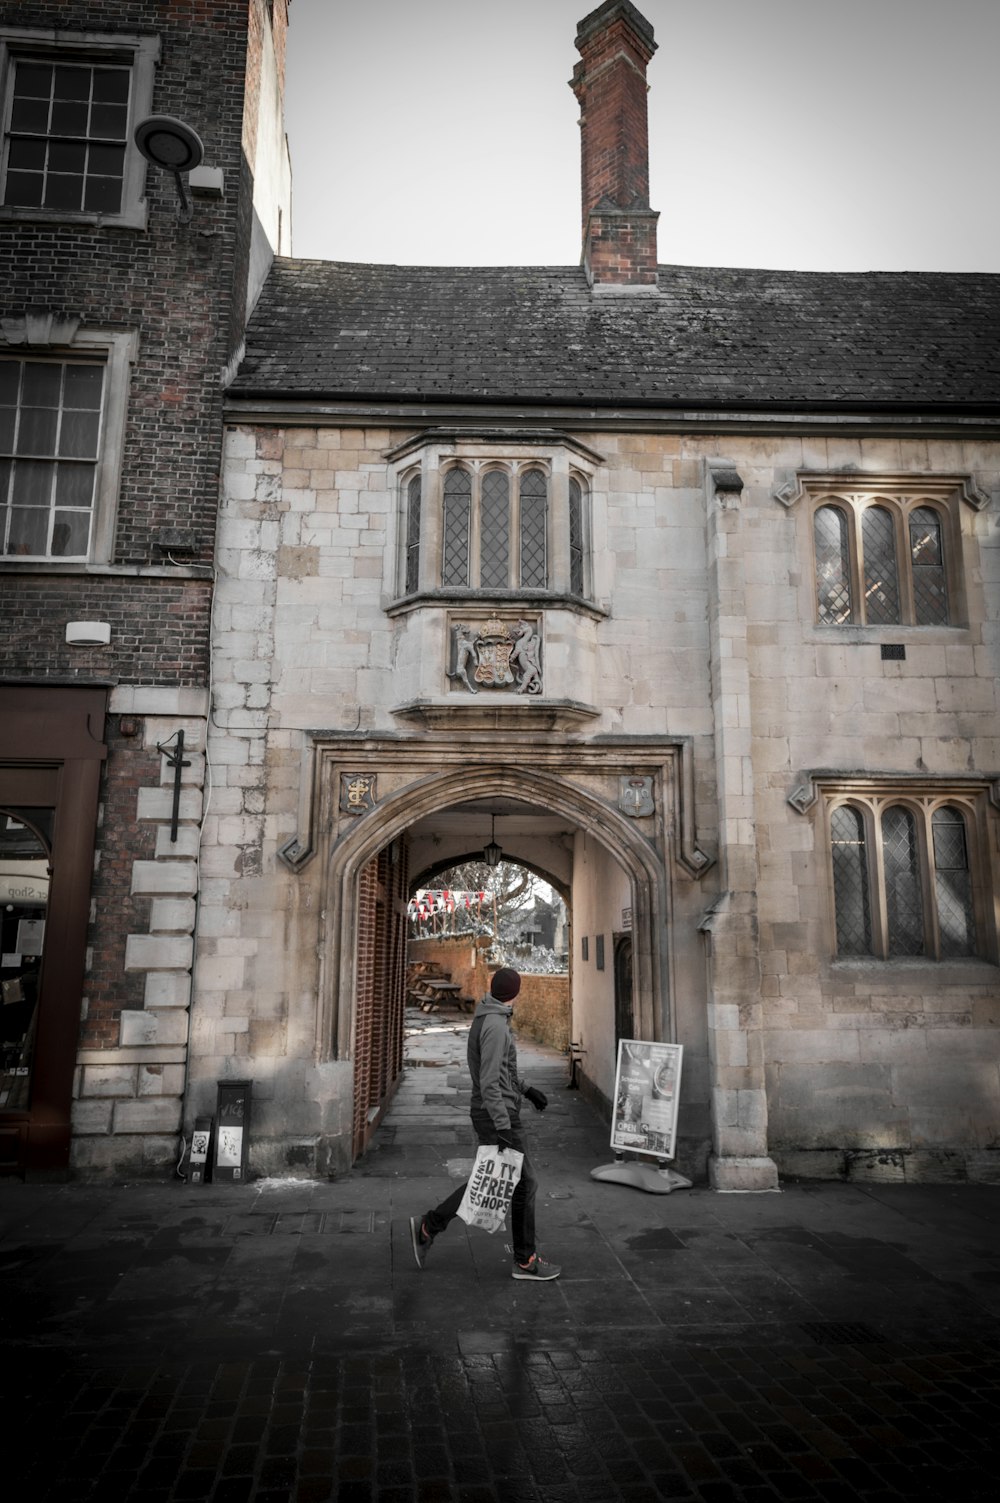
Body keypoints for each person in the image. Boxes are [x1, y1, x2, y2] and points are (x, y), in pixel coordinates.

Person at [409, 967, 560, 1281]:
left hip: (496, 1111)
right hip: (496, 1115)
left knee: (490, 1180)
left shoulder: (494, 1016)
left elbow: (503, 1071)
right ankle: (525, 1260)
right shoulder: (495, 1025)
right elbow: (490, 1082)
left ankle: (429, 1225)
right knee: (524, 1183)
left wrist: (527, 1090)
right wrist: (503, 1127)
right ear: (515, 992)